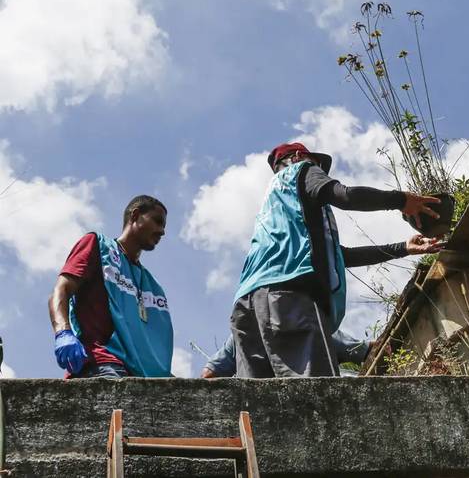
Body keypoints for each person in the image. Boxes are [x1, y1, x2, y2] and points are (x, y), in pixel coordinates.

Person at [232, 142, 442, 378]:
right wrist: (401, 201)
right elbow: (346, 196)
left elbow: (340, 256)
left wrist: (402, 247)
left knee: (256, 406)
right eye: (317, 164)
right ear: (299, 156)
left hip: (246, 307)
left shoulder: (275, 207)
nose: (319, 171)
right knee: (317, 395)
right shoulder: (301, 170)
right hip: (287, 299)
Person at [48, 195, 173, 378]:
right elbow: (62, 290)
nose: (162, 231)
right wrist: (63, 332)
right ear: (136, 215)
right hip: (102, 363)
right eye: (157, 221)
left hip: (140, 375)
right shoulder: (97, 246)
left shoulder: (152, 286)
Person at [201, 330, 371, 378]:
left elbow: (209, 374)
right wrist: (365, 349)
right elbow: (342, 344)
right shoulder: (295, 313)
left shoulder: (241, 333)